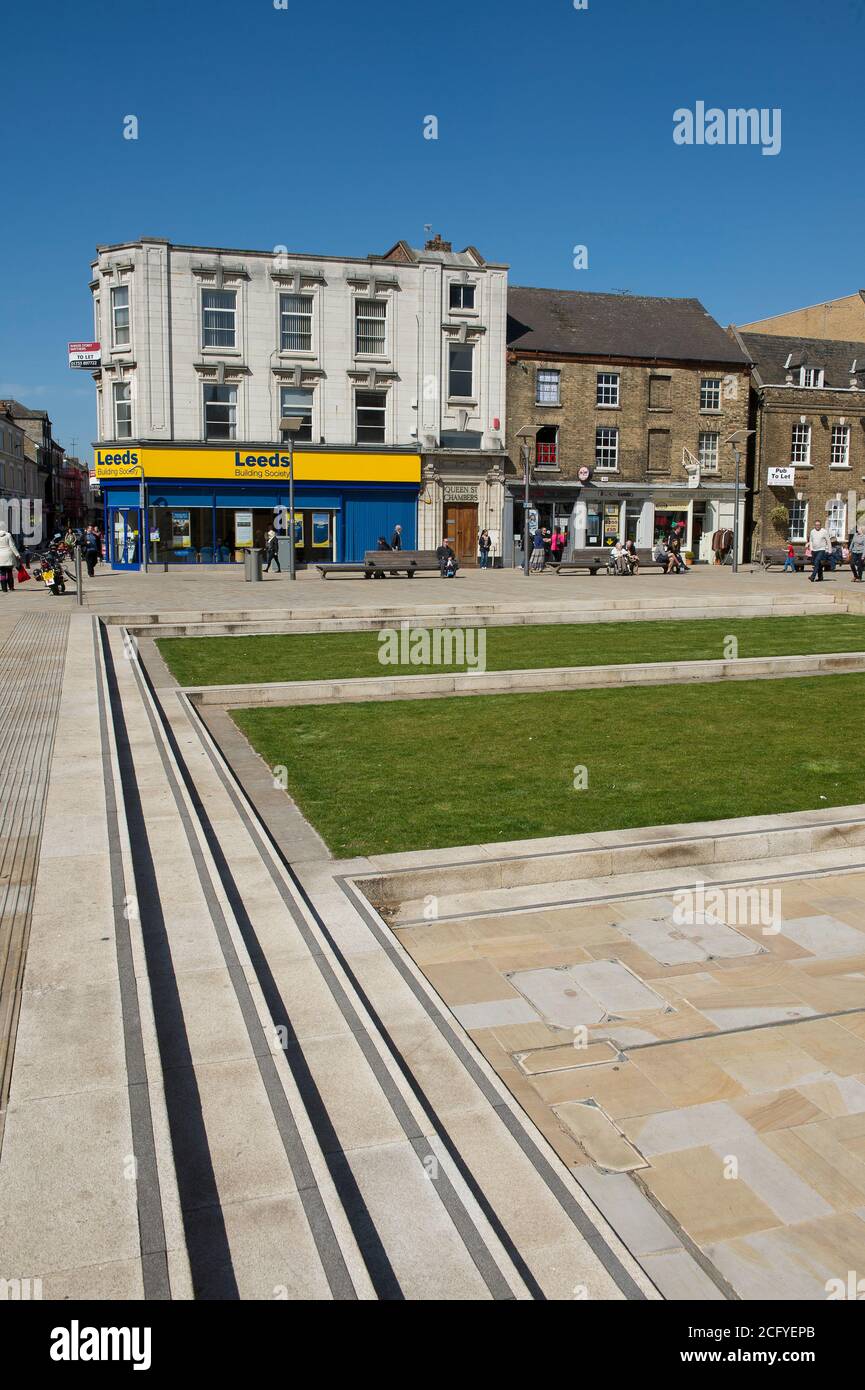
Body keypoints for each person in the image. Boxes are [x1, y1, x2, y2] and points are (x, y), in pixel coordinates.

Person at [808, 517, 830, 582]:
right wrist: (811, 548)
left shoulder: (824, 531)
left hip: (821, 549)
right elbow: (811, 540)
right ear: (814, 525)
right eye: (816, 525)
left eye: (819, 525)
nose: (817, 526)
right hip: (814, 550)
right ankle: (820, 577)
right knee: (819, 564)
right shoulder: (812, 531)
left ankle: (812, 576)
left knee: (816, 562)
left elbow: (828, 541)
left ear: (820, 525)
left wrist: (829, 549)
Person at [0, 527, 20, 593]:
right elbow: (12, 546)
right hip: (8, 555)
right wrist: (17, 554)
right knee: (9, 572)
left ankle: (4, 588)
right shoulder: (8, 535)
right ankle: (11, 587)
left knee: (2, 573)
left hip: (0, 556)